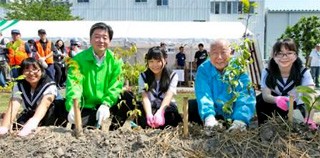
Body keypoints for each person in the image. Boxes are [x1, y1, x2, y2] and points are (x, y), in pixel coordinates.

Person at [66, 22, 133, 130]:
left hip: (108, 103)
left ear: (109, 41)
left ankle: (113, 132)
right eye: (96, 37)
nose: (101, 41)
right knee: (84, 133)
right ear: (90, 39)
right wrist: (73, 106)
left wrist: (106, 104)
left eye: (104, 37)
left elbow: (116, 85)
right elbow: (74, 84)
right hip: (86, 104)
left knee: (128, 97)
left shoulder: (116, 60)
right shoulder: (78, 60)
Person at [189, 39, 256, 131]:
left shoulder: (239, 68)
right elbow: (204, 94)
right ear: (209, 54)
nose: (219, 57)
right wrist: (209, 117)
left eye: (223, 52)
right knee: (192, 105)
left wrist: (240, 119)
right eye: (215, 53)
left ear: (231, 52)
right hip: (214, 113)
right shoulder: (203, 69)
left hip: (234, 113)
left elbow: (245, 94)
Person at [256, 39, 317, 129]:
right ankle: (265, 130)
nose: (284, 57)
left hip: (296, 108)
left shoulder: (303, 72)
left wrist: (309, 119)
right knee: (260, 100)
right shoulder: (267, 71)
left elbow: (310, 96)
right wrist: (277, 99)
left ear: (295, 55)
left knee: (299, 126)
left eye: (289, 53)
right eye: (280, 53)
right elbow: (266, 95)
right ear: (274, 56)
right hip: (274, 107)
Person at [0, 58, 60, 136]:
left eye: (35, 69)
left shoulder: (49, 85)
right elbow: (13, 107)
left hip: (51, 115)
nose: (31, 73)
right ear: (22, 72)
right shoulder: (19, 86)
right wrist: (4, 127)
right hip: (31, 113)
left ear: (41, 70)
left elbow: (45, 105)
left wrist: (32, 123)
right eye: (27, 70)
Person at [137, 46, 182, 129]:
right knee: (141, 117)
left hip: (166, 108)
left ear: (165, 60)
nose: (155, 65)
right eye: (151, 61)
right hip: (150, 107)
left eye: (158, 61)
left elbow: (169, 96)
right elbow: (145, 97)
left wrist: (160, 111)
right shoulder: (143, 76)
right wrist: (149, 114)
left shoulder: (172, 75)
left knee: (171, 117)